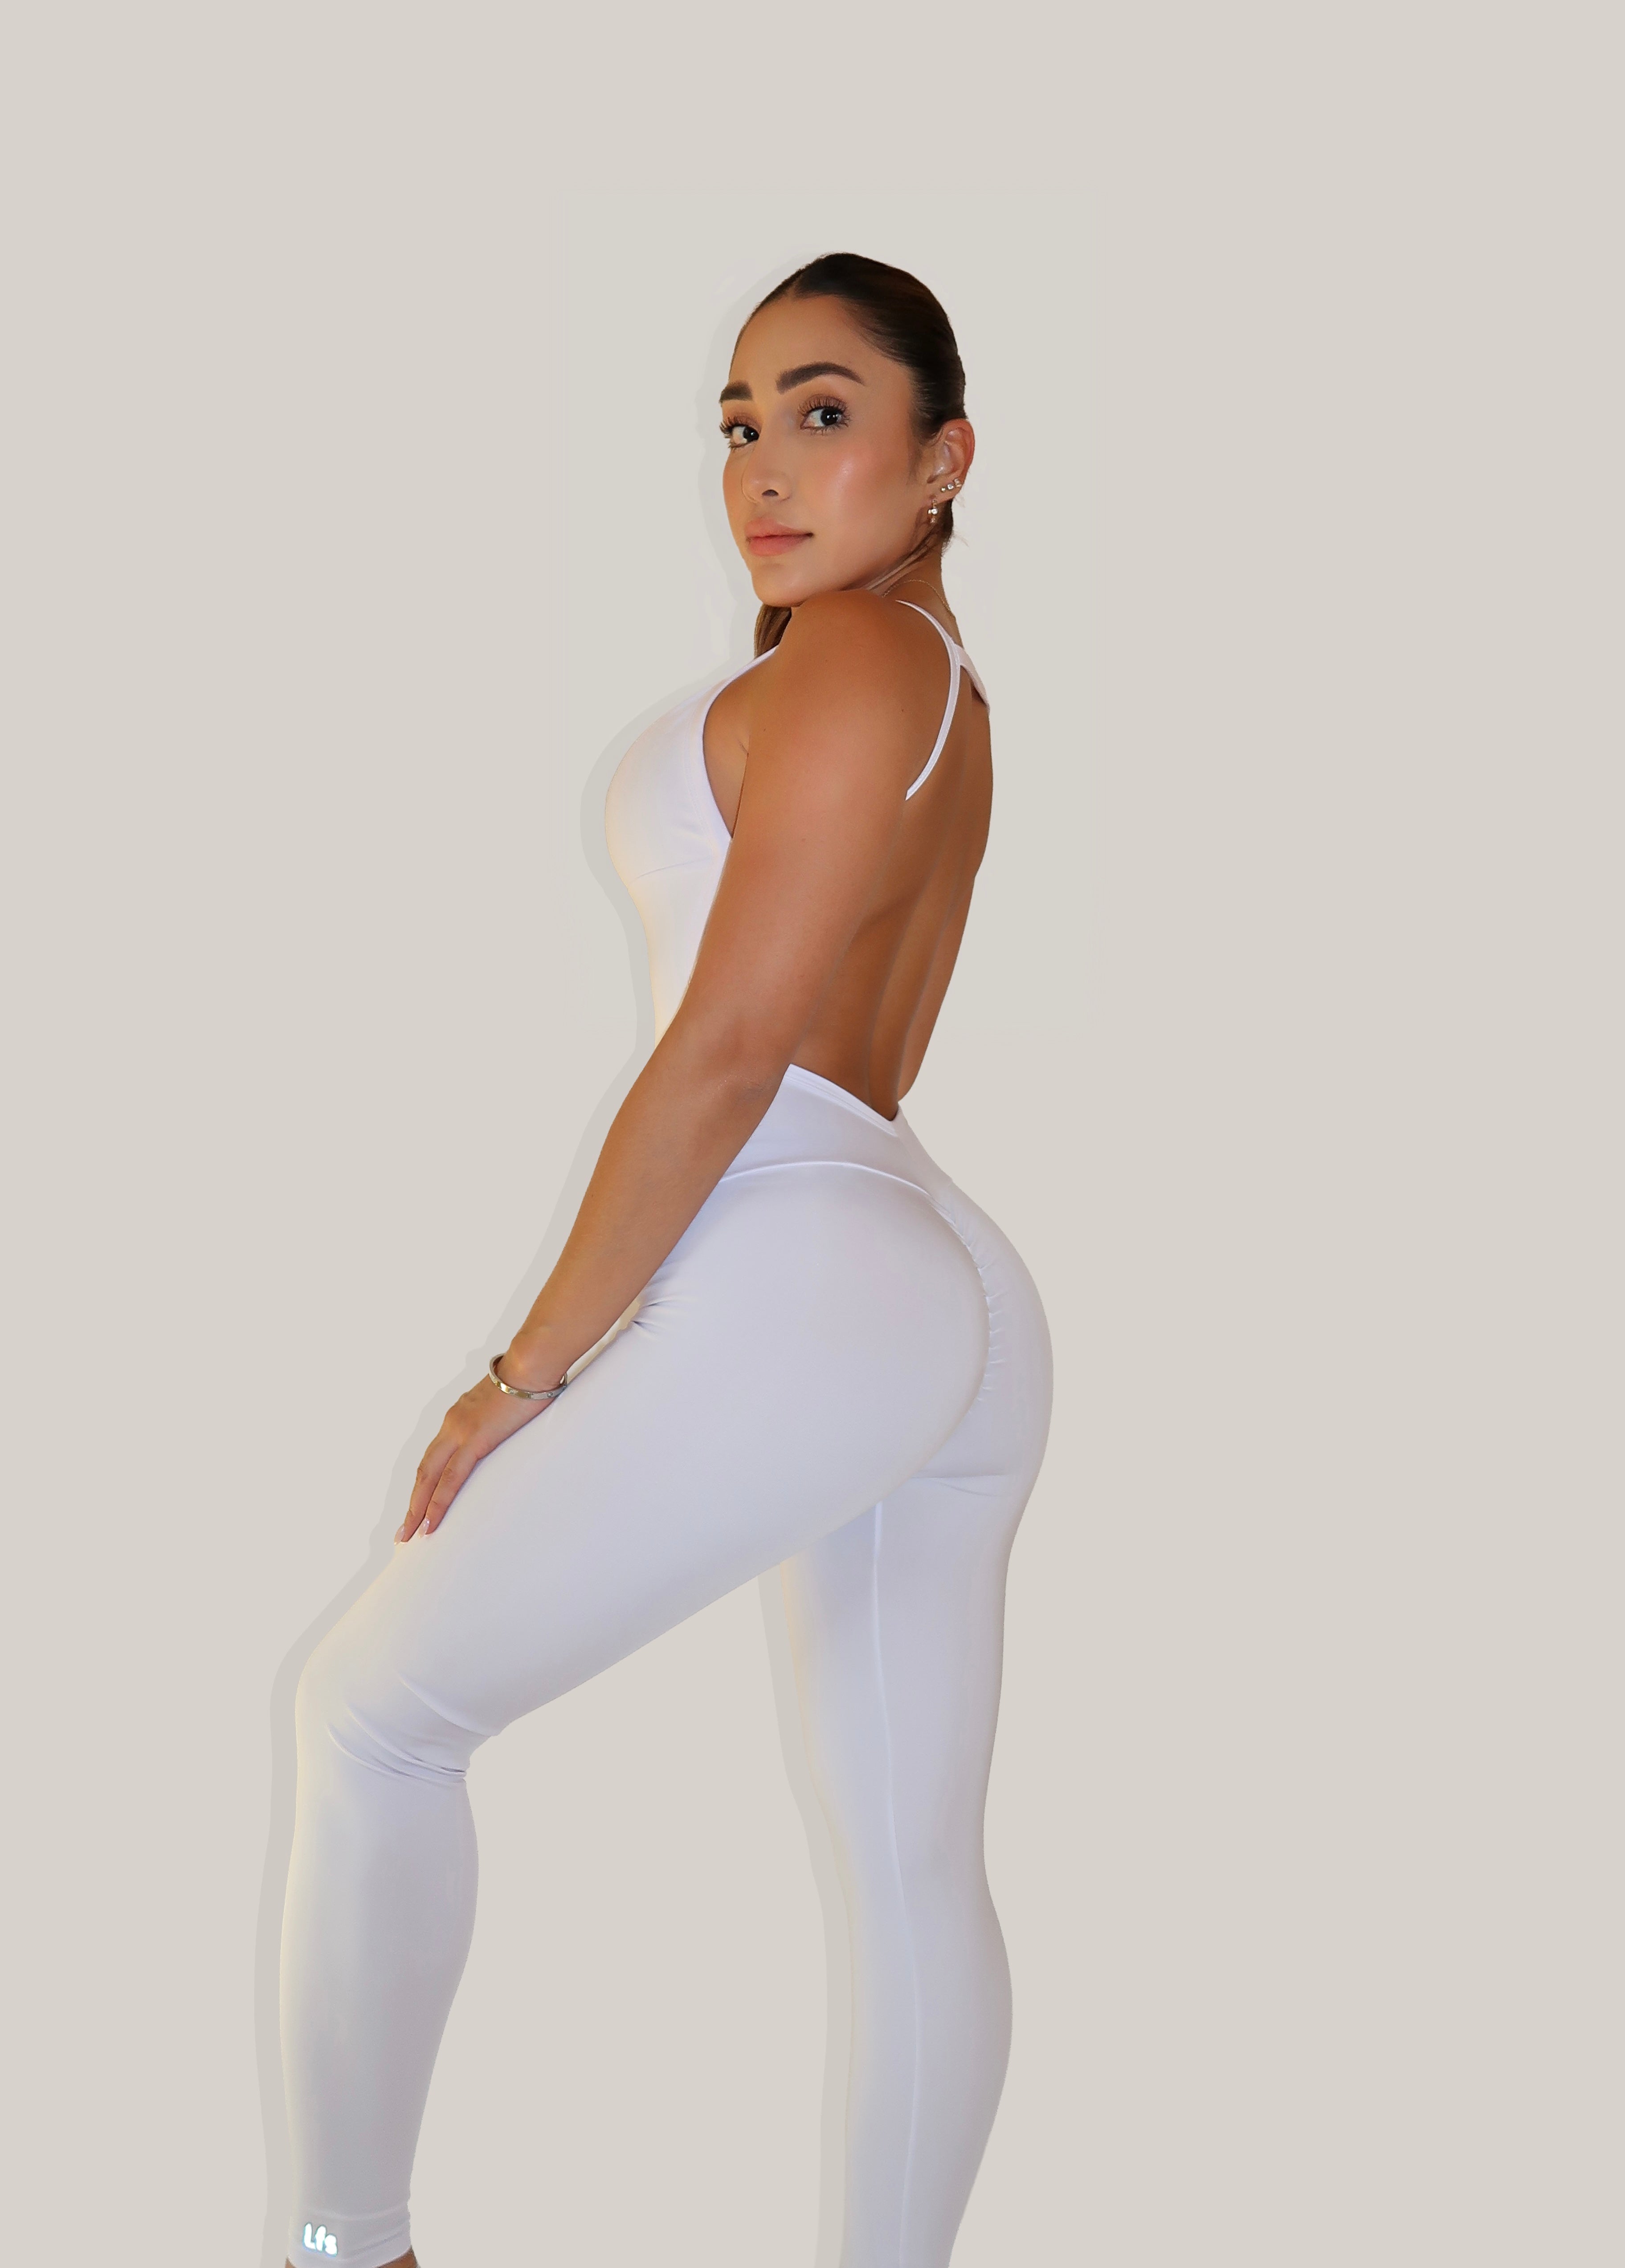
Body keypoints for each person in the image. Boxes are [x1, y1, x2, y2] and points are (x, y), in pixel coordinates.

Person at [279, 251, 1053, 2268]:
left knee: (371, 1716)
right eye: (737, 423)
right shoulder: (934, 678)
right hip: (930, 1273)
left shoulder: (859, 656)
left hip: (811, 1249)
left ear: (946, 456)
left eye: (824, 412)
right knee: (909, 1869)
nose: (763, 466)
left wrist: (520, 1374)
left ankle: (346, 2249)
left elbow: (725, 1050)